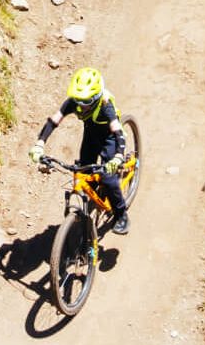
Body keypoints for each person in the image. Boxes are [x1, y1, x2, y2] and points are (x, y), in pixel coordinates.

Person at [30, 66, 131, 235]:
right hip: (91, 134)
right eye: (78, 100)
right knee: (85, 168)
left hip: (110, 138)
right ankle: (95, 192)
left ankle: (121, 215)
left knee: (108, 178)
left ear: (96, 97)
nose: (81, 105)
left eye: (85, 101)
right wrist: (40, 144)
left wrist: (118, 156)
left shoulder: (105, 106)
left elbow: (118, 132)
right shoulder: (74, 102)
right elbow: (53, 122)